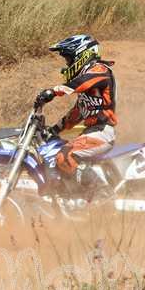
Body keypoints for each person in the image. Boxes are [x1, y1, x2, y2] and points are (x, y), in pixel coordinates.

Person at [34, 35, 117, 190]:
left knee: (65, 157)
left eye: (69, 59)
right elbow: (76, 113)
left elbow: (83, 82)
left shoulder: (99, 70)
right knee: (58, 152)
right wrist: (54, 130)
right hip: (92, 132)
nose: (67, 64)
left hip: (101, 132)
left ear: (82, 54)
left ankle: (103, 193)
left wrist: (54, 91)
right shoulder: (88, 89)